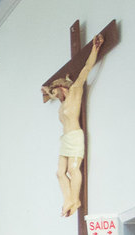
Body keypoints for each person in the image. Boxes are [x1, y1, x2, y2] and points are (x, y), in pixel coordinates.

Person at [43, 34, 102, 217]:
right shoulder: (61, 106)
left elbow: (86, 68)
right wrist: (48, 92)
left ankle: (75, 199)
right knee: (60, 173)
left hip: (75, 135)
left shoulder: (75, 92)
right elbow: (49, 94)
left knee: (72, 169)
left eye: (56, 93)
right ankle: (67, 199)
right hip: (65, 138)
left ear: (63, 88)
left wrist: (95, 48)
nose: (56, 97)